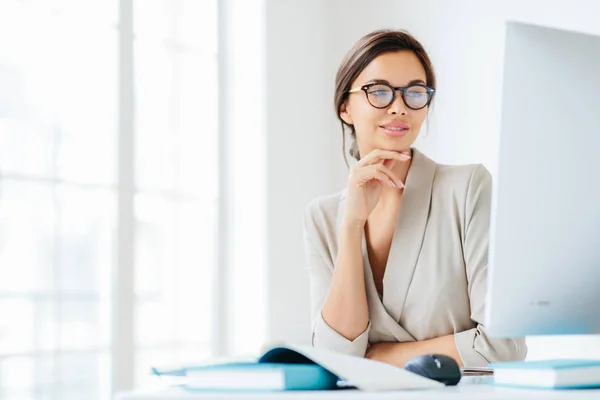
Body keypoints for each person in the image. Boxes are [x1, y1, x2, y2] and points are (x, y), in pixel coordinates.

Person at [303, 29, 526, 367]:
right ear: (345, 107)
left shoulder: (466, 189)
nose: (399, 107)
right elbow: (335, 356)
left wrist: (383, 356)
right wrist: (351, 224)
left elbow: (503, 345)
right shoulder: (322, 217)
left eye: (415, 93)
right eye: (378, 92)